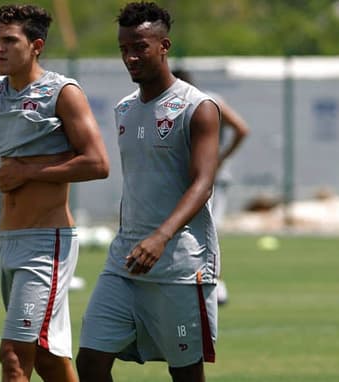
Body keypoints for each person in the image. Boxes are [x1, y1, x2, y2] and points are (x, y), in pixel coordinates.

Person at [76, 2, 221, 382]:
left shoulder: (197, 107)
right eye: (124, 48)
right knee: (90, 361)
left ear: (164, 46)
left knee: (185, 373)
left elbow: (203, 184)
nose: (130, 57)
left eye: (140, 46)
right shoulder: (124, 109)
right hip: (124, 261)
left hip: (178, 267)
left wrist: (160, 236)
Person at [0, 4, 110, 382]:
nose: (0, 48)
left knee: (14, 356)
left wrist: (29, 170)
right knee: (45, 357)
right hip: (8, 238)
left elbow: (97, 163)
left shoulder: (61, 92)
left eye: (10, 41)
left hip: (48, 243)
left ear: (36, 45)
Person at [173, 68, 250, 305]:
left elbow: (241, 128)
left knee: (208, 229)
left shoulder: (208, 101)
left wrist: (221, 157)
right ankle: (189, 280)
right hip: (183, 178)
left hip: (210, 179)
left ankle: (216, 283)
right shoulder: (166, 106)